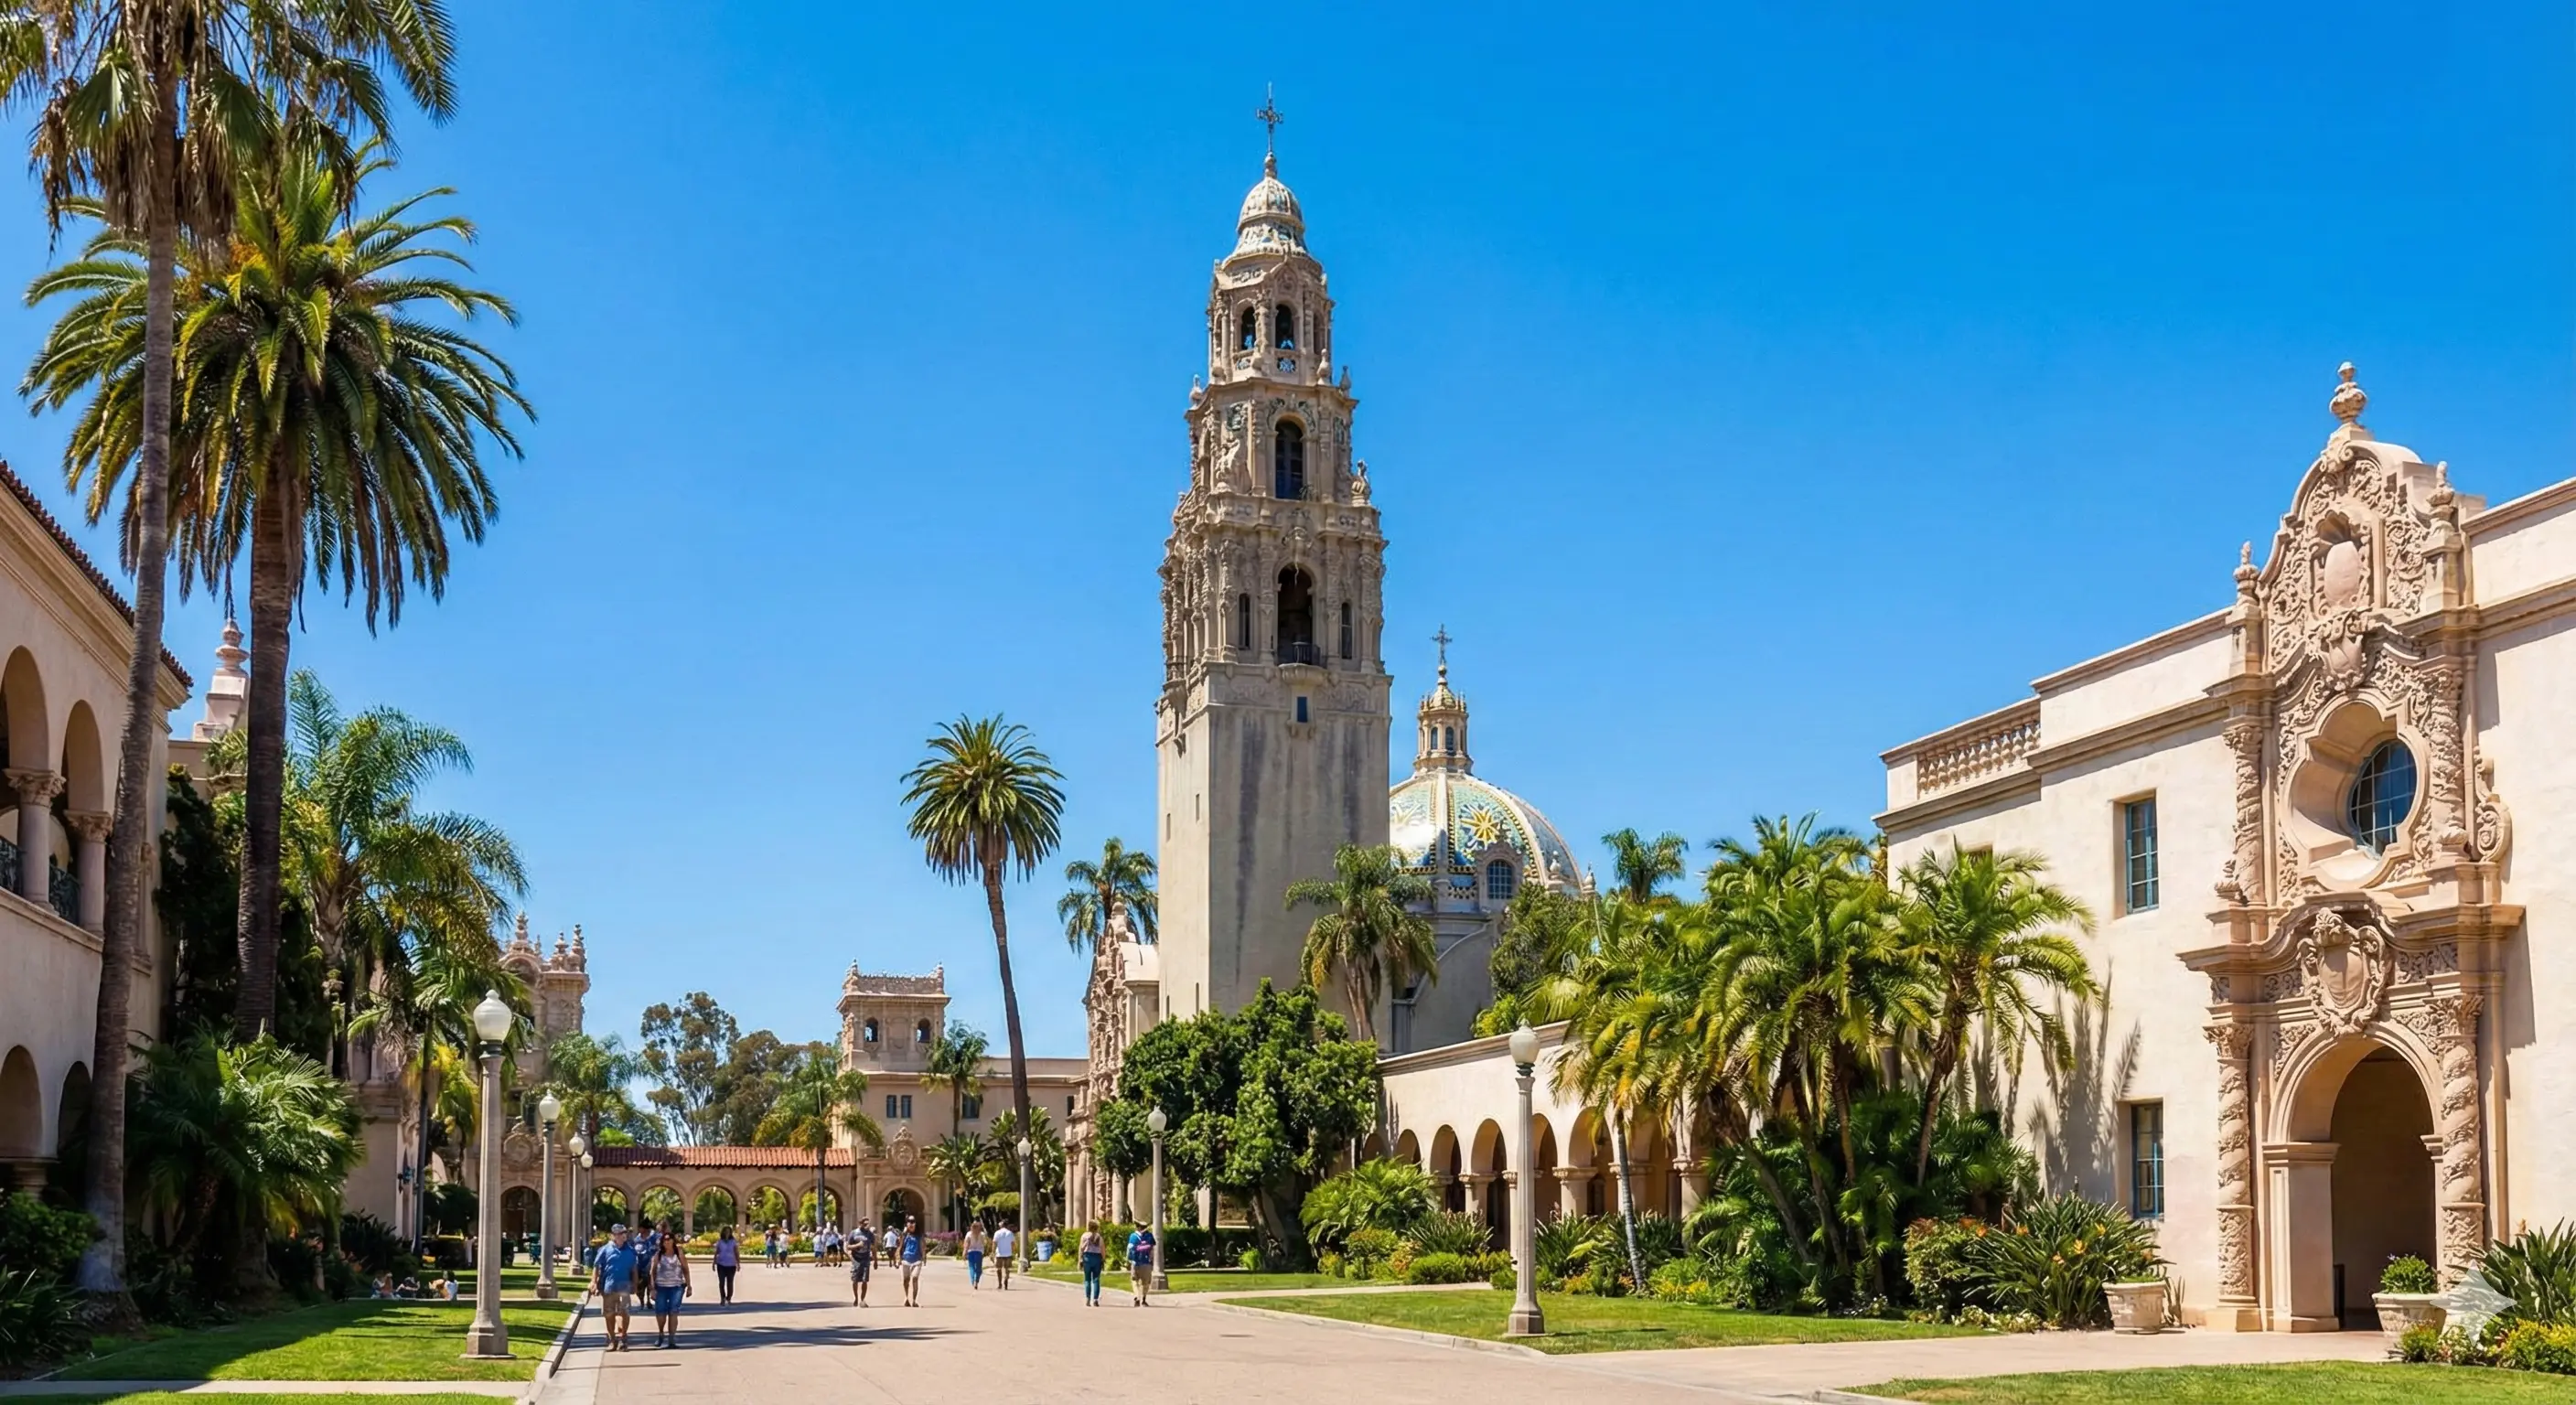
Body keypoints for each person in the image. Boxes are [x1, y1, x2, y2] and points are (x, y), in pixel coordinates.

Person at [591, 1224, 640, 1351]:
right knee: (609, 1314)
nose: (624, 1235)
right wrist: (594, 1282)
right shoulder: (605, 1249)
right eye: (620, 1233)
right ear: (614, 1236)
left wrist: (635, 1284)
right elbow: (596, 1267)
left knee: (625, 1312)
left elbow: (634, 1269)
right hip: (609, 1286)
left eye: (624, 1233)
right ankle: (612, 1339)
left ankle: (623, 1338)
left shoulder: (630, 1250)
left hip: (624, 1287)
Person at [648, 1226, 692, 1347]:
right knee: (661, 1313)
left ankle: (671, 1339)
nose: (667, 1241)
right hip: (661, 1287)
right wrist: (652, 1288)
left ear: (673, 1240)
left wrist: (689, 1286)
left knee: (673, 1311)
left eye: (669, 1239)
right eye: (665, 1240)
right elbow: (652, 1272)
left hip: (676, 1287)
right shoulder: (659, 1254)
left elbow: (685, 1269)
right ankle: (661, 1333)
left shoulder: (679, 1253)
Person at [1126, 1223, 1156, 1307]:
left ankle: (1136, 1296)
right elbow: (1152, 1250)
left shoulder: (1133, 1236)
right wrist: (1152, 1260)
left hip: (1135, 1262)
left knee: (1134, 1280)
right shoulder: (1149, 1236)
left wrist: (1128, 1260)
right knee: (1146, 1283)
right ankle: (1143, 1299)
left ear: (1138, 1227)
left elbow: (1129, 1249)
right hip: (1146, 1262)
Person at [1078, 1224, 1106, 1307]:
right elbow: (1102, 1249)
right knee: (1096, 1279)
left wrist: (1080, 1259)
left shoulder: (1084, 1236)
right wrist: (1103, 1259)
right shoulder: (1099, 1237)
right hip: (1097, 1258)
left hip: (1087, 1257)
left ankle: (1087, 1298)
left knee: (1087, 1279)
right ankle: (1095, 1300)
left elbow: (1081, 1248)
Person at [898, 1219, 925, 1307]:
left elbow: (923, 1246)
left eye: (913, 1222)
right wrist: (899, 1259)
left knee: (915, 1278)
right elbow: (900, 1246)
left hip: (917, 1260)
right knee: (906, 1280)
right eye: (909, 1222)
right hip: (906, 1260)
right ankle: (906, 1298)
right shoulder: (905, 1235)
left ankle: (914, 1300)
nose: (911, 1224)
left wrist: (924, 1257)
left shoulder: (919, 1235)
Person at [848, 1219, 875, 1307]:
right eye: (865, 1224)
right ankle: (856, 1298)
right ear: (860, 1224)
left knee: (865, 1280)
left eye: (867, 1224)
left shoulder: (870, 1234)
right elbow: (848, 1246)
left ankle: (862, 1300)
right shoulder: (853, 1233)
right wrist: (857, 1245)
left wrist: (876, 1260)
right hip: (856, 1260)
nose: (866, 1226)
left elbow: (873, 1247)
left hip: (866, 1259)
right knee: (854, 1280)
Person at [713, 1225, 740, 1304]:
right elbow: (717, 1252)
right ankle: (722, 1298)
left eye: (729, 1231)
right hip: (721, 1264)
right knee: (721, 1282)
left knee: (730, 1282)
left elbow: (736, 1252)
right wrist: (714, 1262)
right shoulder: (720, 1241)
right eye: (726, 1231)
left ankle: (729, 1298)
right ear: (723, 1232)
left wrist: (738, 1263)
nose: (727, 1233)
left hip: (731, 1264)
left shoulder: (733, 1242)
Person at [961, 1222, 986, 1290]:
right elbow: (984, 1243)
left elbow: (966, 1244)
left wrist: (964, 1252)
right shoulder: (982, 1234)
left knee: (972, 1267)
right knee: (979, 1269)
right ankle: (976, 1280)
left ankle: (973, 1281)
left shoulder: (969, 1234)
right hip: (979, 1252)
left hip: (971, 1252)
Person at [992, 1222, 1015, 1290]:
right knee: (1007, 1269)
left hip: (999, 1254)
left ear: (1001, 1226)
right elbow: (1013, 1243)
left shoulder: (997, 1233)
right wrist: (1013, 1252)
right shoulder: (1010, 1233)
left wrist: (992, 1252)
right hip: (1008, 1254)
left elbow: (994, 1243)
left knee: (999, 1269)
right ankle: (1006, 1279)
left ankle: (1000, 1284)